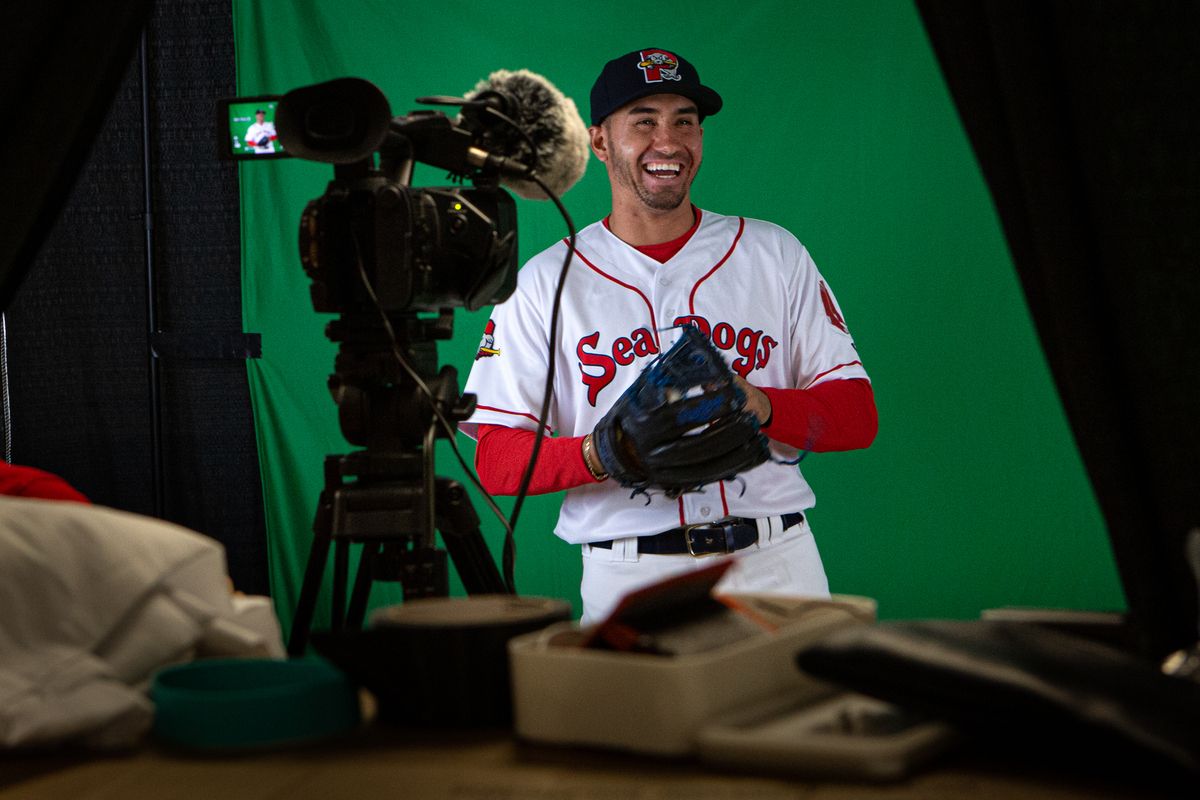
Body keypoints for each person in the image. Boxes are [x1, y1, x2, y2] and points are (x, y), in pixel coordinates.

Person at [460, 48, 878, 623]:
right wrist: (604, 451)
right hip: (631, 573)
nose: (669, 140)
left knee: (799, 713)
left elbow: (857, 415)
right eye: (644, 121)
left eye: (685, 120)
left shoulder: (773, 253)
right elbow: (498, 461)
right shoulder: (542, 283)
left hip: (778, 561)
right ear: (601, 141)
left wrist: (760, 404)